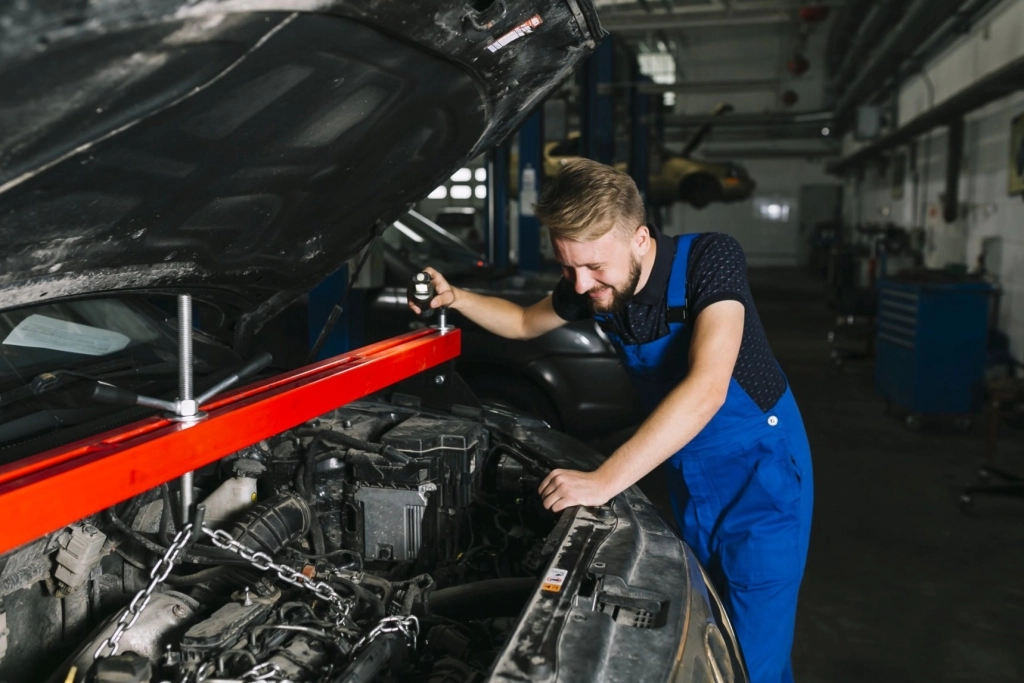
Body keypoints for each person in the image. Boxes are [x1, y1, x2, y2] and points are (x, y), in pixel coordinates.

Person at [410, 159, 813, 683]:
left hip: (761, 474)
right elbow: (524, 322)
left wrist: (603, 480)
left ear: (641, 238)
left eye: (594, 267)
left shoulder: (709, 261)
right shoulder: (593, 281)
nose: (580, 285)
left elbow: (709, 387)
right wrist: (458, 298)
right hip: (690, 472)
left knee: (753, 656)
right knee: (709, 630)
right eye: (567, 267)